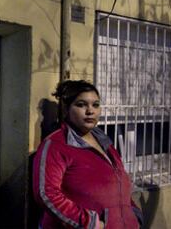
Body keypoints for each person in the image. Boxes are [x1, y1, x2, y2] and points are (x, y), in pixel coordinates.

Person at [32, 80, 143, 228]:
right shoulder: (56, 145)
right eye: (81, 104)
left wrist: (134, 215)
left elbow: (120, 185)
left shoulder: (105, 142)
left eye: (95, 105)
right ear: (66, 109)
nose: (90, 111)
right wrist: (91, 223)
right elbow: (46, 194)